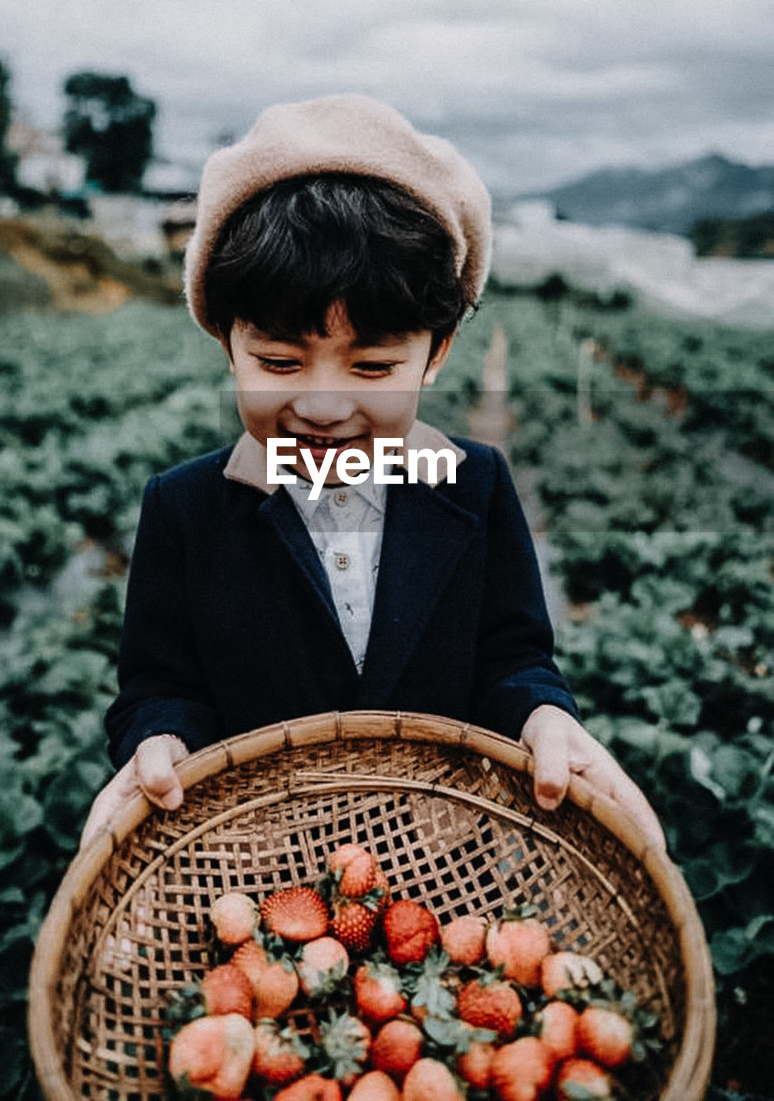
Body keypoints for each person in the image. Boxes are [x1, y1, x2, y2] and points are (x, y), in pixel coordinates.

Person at [81, 95, 664, 850]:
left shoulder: (474, 484)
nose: (323, 406)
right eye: (279, 362)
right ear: (228, 345)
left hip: (439, 852)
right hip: (256, 859)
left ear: (437, 354)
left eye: (373, 366)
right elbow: (160, 686)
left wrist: (542, 714)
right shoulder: (185, 507)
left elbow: (513, 657)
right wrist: (159, 739)